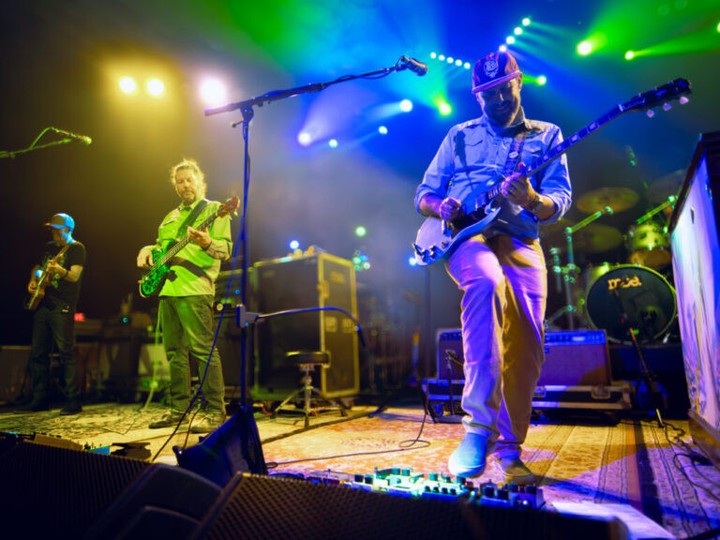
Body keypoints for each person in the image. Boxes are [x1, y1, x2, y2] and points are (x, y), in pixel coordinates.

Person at [415, 51, 572, 484]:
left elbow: (558, 201)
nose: (500, 99)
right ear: (476, 97)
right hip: (468, 238)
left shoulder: (547, 135)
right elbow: (424, 194)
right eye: (489, 95)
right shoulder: (459, 136)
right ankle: (478, 429)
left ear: (519, 82)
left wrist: (531, 199)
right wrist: (441, 206)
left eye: (505, 89)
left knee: (528, 341)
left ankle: (509, 449)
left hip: (521, 238)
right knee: (486, 281)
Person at [137, 158, 232, 433]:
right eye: (180, 182)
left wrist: (208, 242)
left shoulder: (215, 209)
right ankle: (178, 410)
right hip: (168, 290)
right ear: (175, 186)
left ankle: (215, 411)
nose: (185, 185)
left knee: (202, 350)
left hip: (195, 289)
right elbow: (162, 247)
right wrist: (147, 250)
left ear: (199, 181)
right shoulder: (170, 217)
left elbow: (225, 250)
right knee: (174, 354)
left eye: (189, 180)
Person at [18, 213, 86, 414]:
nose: (53, 233)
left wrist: (59, 270)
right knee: (39, 353)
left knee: (66, 353)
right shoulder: (48, 247)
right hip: (43, 305)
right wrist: (33, 280)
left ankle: (73, 401)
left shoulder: (76, 248)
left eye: (57, 230)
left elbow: (74, 276)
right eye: (52, 229)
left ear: (68, 229)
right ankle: (40, 399)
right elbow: (37, 268)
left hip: (62, 306)